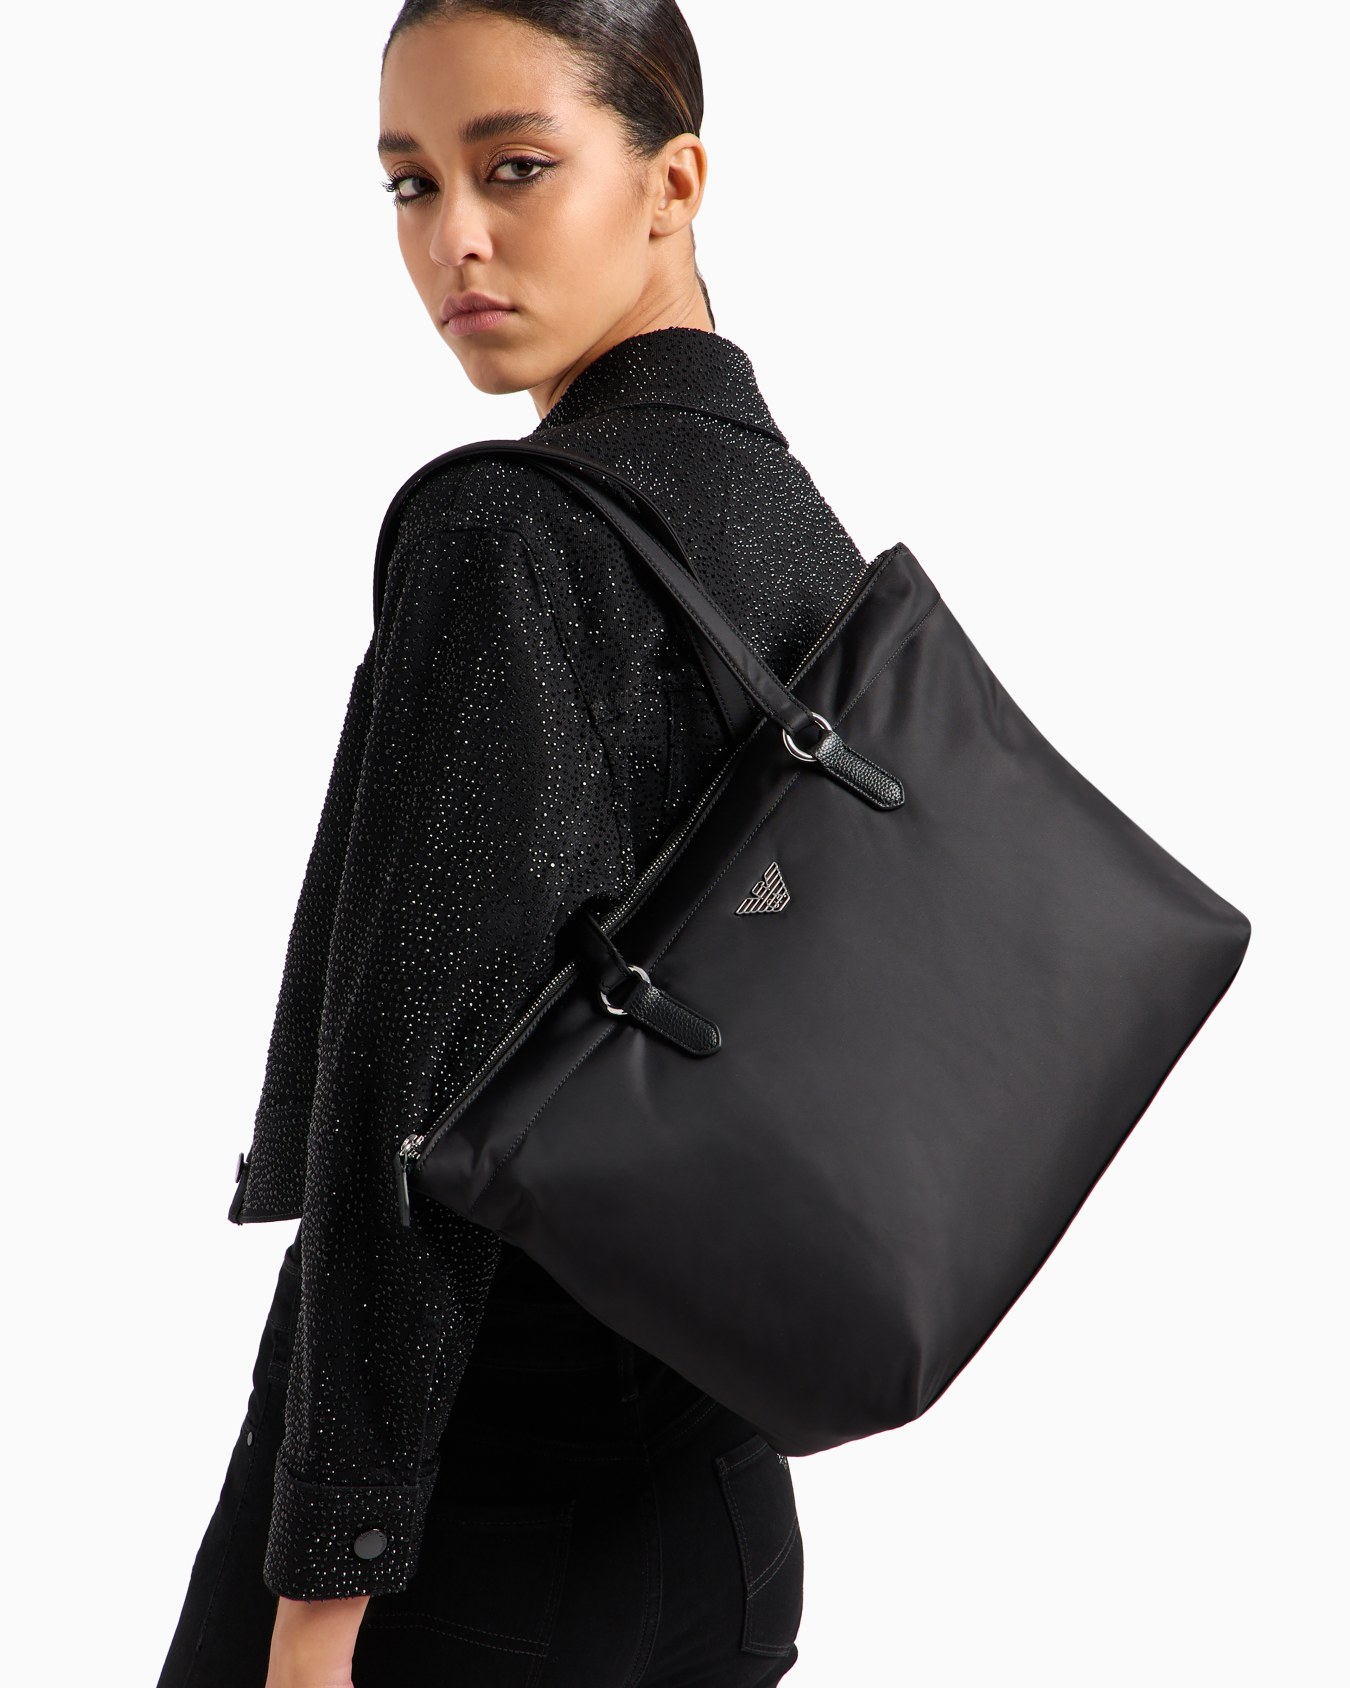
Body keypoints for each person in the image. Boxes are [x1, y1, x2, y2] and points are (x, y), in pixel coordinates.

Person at [157, 4, 872, 1683]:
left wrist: (322, 1600)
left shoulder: (508, 533)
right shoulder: (782, 519)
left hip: (464, 1551)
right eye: (410, 183)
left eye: (516, 167)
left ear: (673, 182)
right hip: (718, 1517)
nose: (453, 238)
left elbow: (411, 1100)